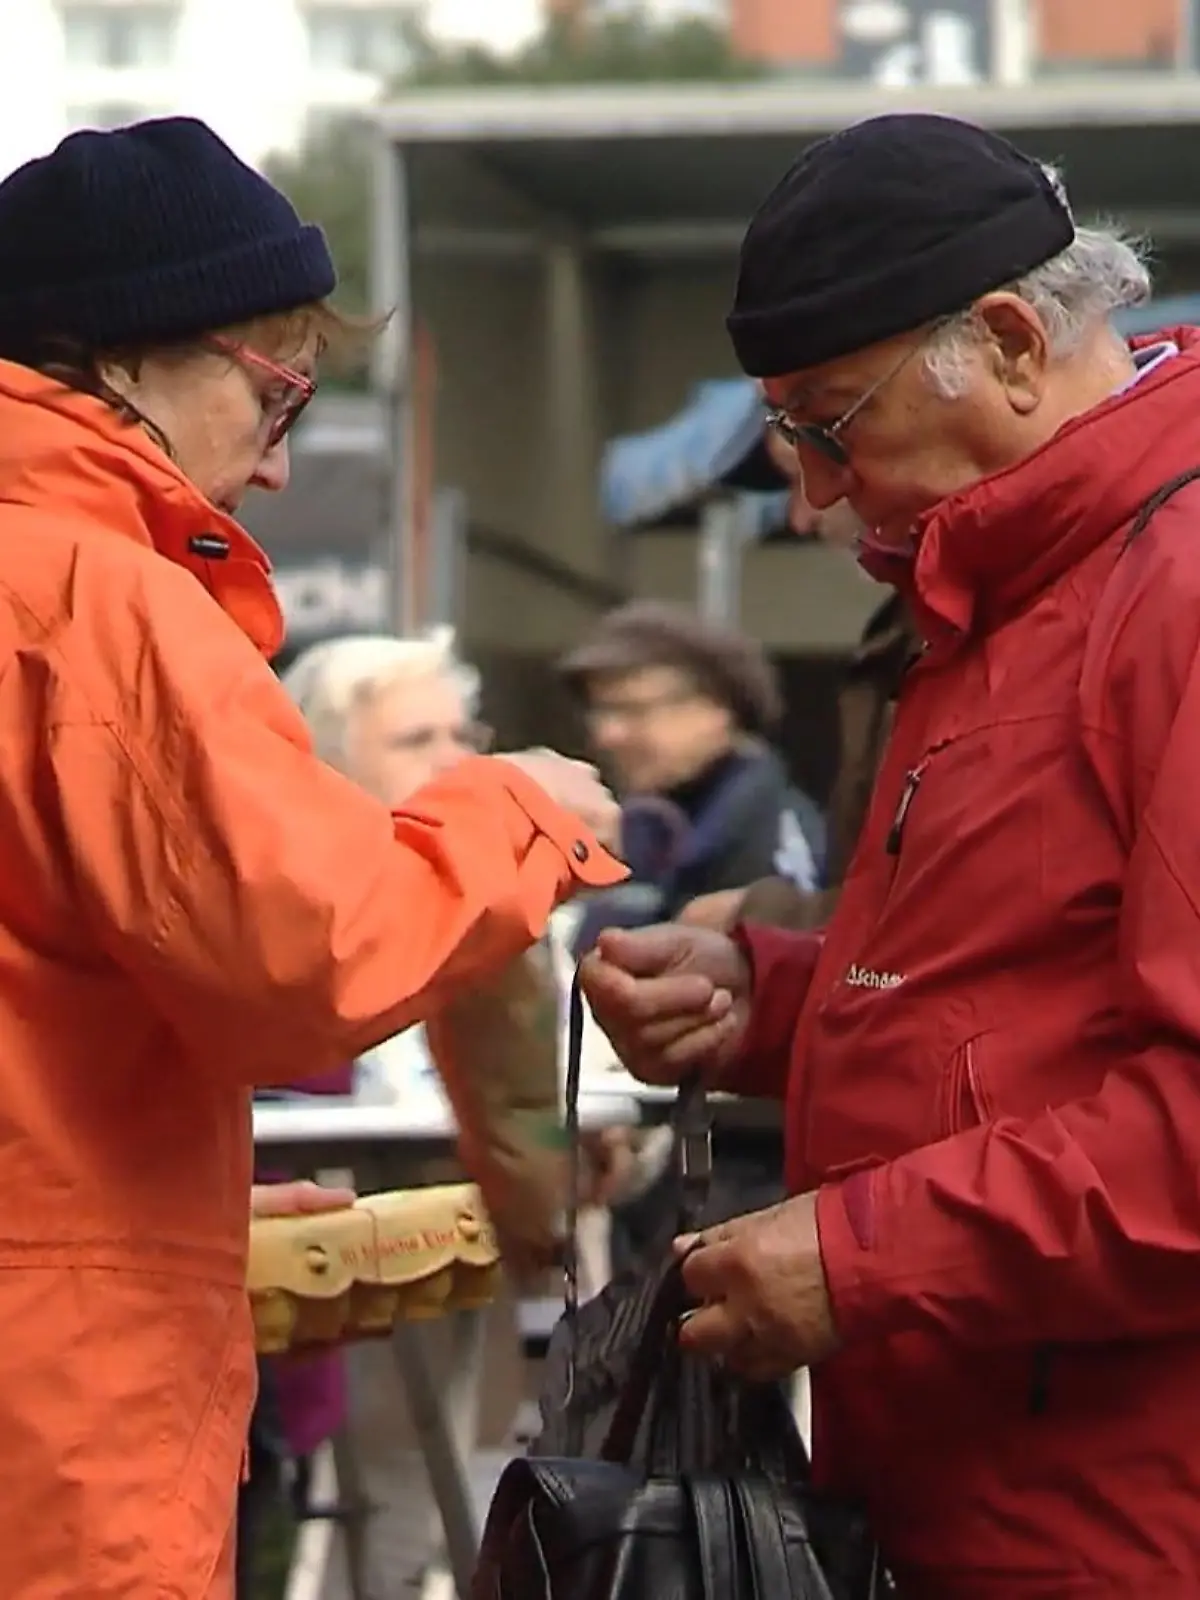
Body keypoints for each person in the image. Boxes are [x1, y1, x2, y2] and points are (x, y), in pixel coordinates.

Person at [0, 117, 622, 1600]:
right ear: (131, 356)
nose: (278, 471)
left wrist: (169, 1203)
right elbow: (312, 954)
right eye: (281, 397)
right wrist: (511, 808)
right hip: (51, 1400)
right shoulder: (87, 589)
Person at [584, 112, 1200, 1596]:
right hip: (981, 1483)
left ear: (1005, 341)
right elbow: (1010, 998)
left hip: (1123, 1516)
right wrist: (778, 1002)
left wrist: (859, 1259)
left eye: (824, 425)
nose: (807, 495)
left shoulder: (1168, 591)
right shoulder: (1001, 584)